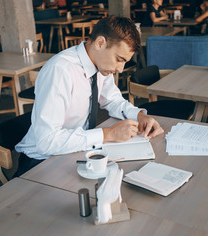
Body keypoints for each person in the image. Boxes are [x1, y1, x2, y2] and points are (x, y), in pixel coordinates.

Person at [15, 16, 164, 176]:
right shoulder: (61, 70)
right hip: (41, 162)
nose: (121, 69)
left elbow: (113, 100)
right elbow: (47, 141)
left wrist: (139, 116)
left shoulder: (101, 65)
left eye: (124, 62)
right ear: (100, 43)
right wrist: (109, 134)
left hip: (75, 152)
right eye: (119, 59)